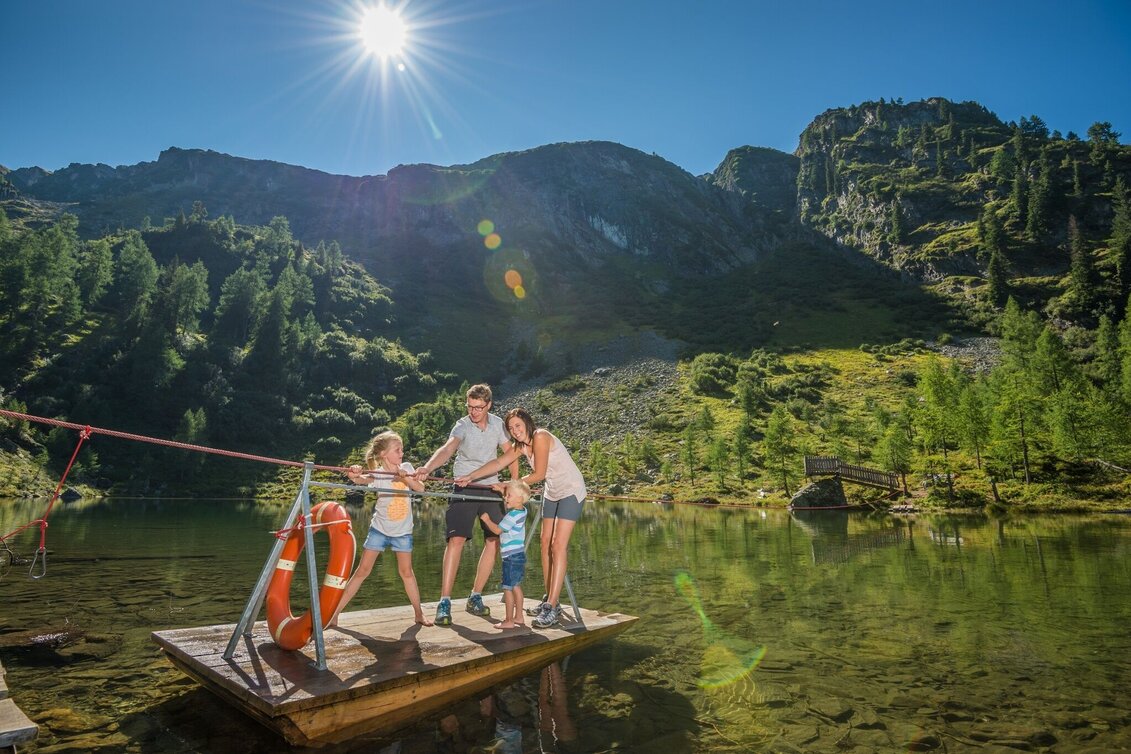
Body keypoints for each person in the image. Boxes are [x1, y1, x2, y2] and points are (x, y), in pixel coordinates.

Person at [455, 407, 586, 630]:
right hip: (552, 492)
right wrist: (470, 477)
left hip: (571, 490)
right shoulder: (520, 446)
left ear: (527, 422)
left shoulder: (540, 436)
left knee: (557, 546)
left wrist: (509, 484)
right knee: (544, 543)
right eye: (510, 428)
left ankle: (551, 607)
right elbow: (498, 463)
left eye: (518, 425)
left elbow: (539, 474)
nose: (515, 431)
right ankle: (549, 599)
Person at [414, 384, 519, 626]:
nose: (473, 412)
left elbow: (510, 454)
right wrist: (427, 468)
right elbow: (447, 449)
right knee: (456, 540)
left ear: (488, 405)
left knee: (494, 539)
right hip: (464, 486)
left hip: (490, 488)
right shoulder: (462, 425)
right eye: (470, 407)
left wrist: (513, 484)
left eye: (478, 407)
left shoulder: (498, 425)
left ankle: (475, 596)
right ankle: (444, 601)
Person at [329, 431, 433, 627]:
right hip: (379, 530)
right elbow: (361, 480)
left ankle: (419, 614)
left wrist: (405, 478)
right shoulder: (378, 474)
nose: (402, 453)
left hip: (403, 532)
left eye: (402, 449)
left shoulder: (406, 468)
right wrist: (354, 474)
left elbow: (420, 488)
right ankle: (334, 614)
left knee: (406, 572)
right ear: (384, 454)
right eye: (397, 450)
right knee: (362, 571)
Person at [478, 479, 531, 629]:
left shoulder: (511, 516)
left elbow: (497, 530)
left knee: (507, 588)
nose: (506, 498)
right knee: (516, 586)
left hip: (510, 557)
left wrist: (487, 520)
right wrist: (503, 491)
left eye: (509, 495)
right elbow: (512, 501)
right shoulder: (522, 511)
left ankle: (509, 621)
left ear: (519, 499)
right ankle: (519, 617)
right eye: (506, 495)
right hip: (518, 555)